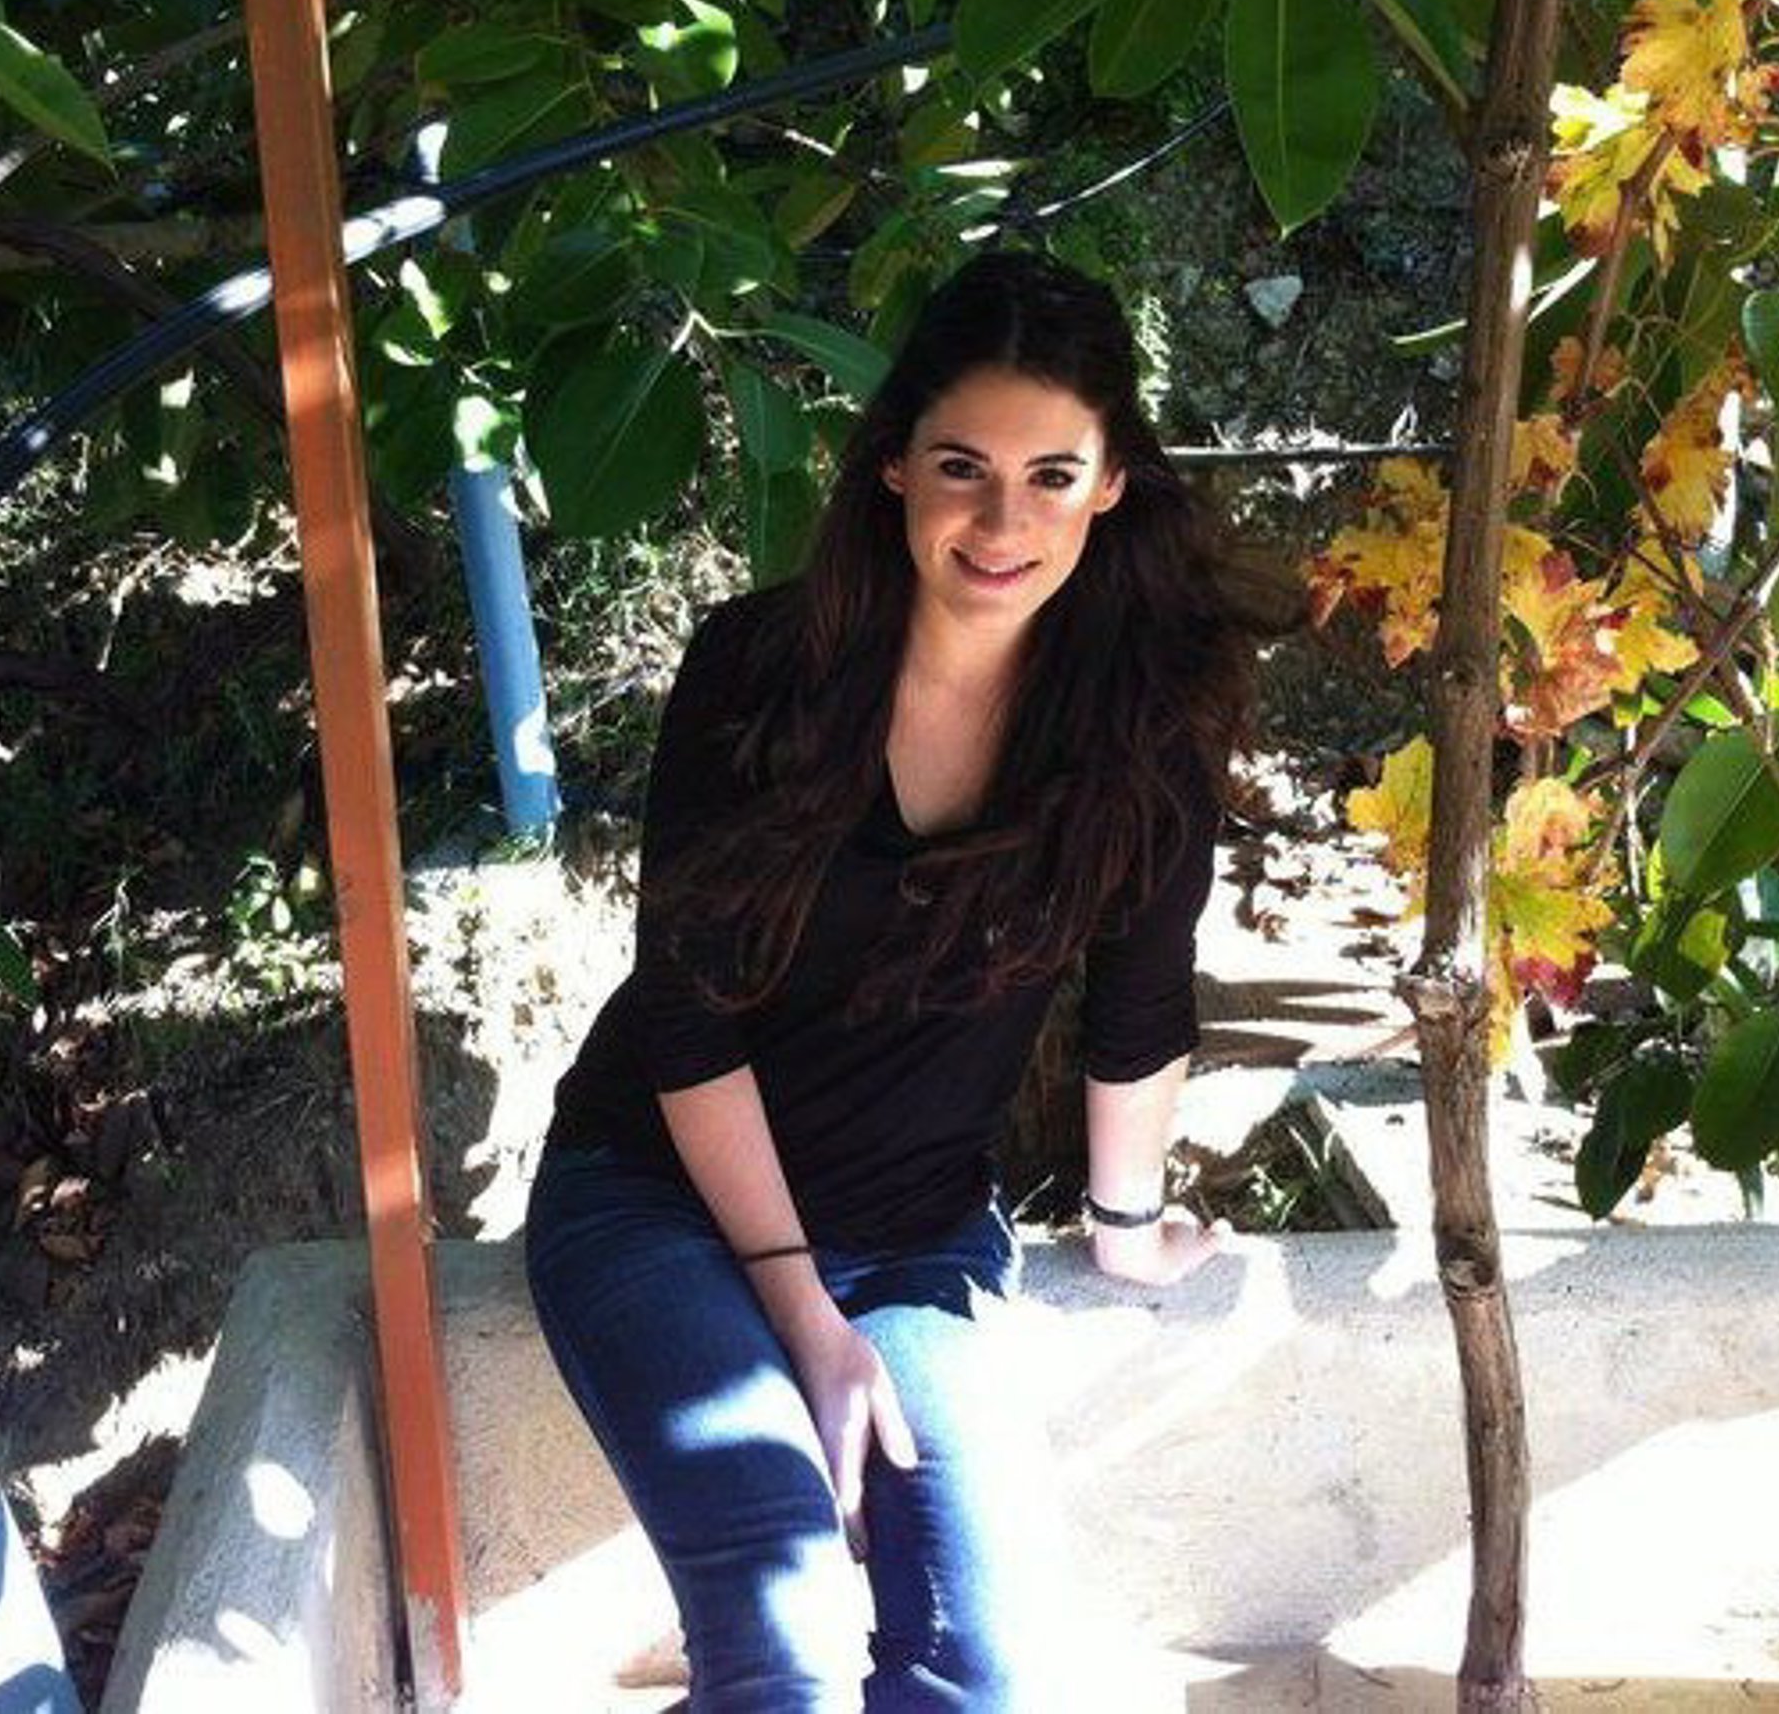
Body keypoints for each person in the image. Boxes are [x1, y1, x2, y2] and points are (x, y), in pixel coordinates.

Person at [525, 250, 1259, 1711]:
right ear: (894, 468)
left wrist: (1125, 1226)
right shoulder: (763, 668)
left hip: (914, 1236)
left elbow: (1139, 1000)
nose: (1004, 523)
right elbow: (685, 1016)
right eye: (962, 467)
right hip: (661, 1199)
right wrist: (809, 1325)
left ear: (1112, 485)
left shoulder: (1146, 717)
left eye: (1052, 476)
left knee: (989, 1665)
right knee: (784, 1627)